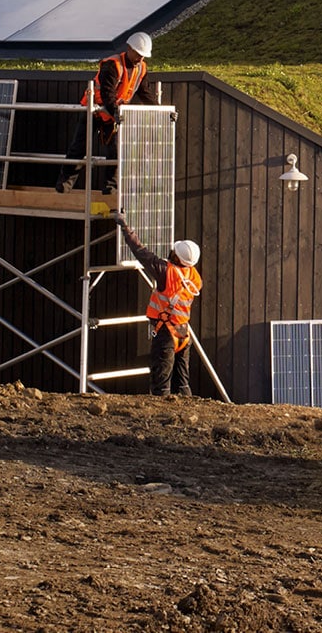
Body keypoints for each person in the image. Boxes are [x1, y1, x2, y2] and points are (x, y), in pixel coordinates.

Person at [114, 214, 202, 396]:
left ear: (176, 257)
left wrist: (125, 227)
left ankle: (161, 418)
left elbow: (141, 252)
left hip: (166, 334)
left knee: (160, 383)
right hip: (184, 333)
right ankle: (187, 412)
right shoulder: (193, 276)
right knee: (182, 381)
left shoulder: (166, 272)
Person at [57, 32, 156, 193]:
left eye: (143, 56)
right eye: (138, 54)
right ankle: (64, 186)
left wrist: (162, 111)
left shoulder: (141, 68)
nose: (140, 59)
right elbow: (107, 93)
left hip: (114, 113)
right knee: (79, 148)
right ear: (129, 49)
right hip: (95, 110)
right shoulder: (112, 65)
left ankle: (110, 189)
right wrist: (116, 112)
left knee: (116, 150)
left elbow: (145, 93)